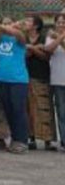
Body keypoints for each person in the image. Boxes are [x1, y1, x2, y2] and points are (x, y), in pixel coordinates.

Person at [0, 18, 30, 153]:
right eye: (4, 23)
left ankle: (22, 141)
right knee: (8, 110)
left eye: (9, 23)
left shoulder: (20, 38)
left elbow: (17, 33)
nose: (7, 26)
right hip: (0, 78)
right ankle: (14, 139)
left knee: (18, 110)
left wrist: (4, 26)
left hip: (18, 79)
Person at [24, 16, 56, 150]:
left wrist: (31, 48)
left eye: (28, 21)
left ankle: (48, 140)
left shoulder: (44, 37)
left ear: (36, 26)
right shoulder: (22, 37)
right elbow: (24, 55)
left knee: (44, 108)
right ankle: (31, 138)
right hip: (25, 76)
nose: (25, 23)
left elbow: (46, 56)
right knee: (28, 109)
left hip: (41, 75)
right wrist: (36, 49)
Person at [44, 12, 65, 152]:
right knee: (61, 112)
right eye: (59, 22)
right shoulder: (50, 37)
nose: (61, 25)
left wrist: (59, 37)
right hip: (57, 79)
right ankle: (64, 140)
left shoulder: (54, 36)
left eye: (63, 22)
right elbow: (48, 50)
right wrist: (60, 37)